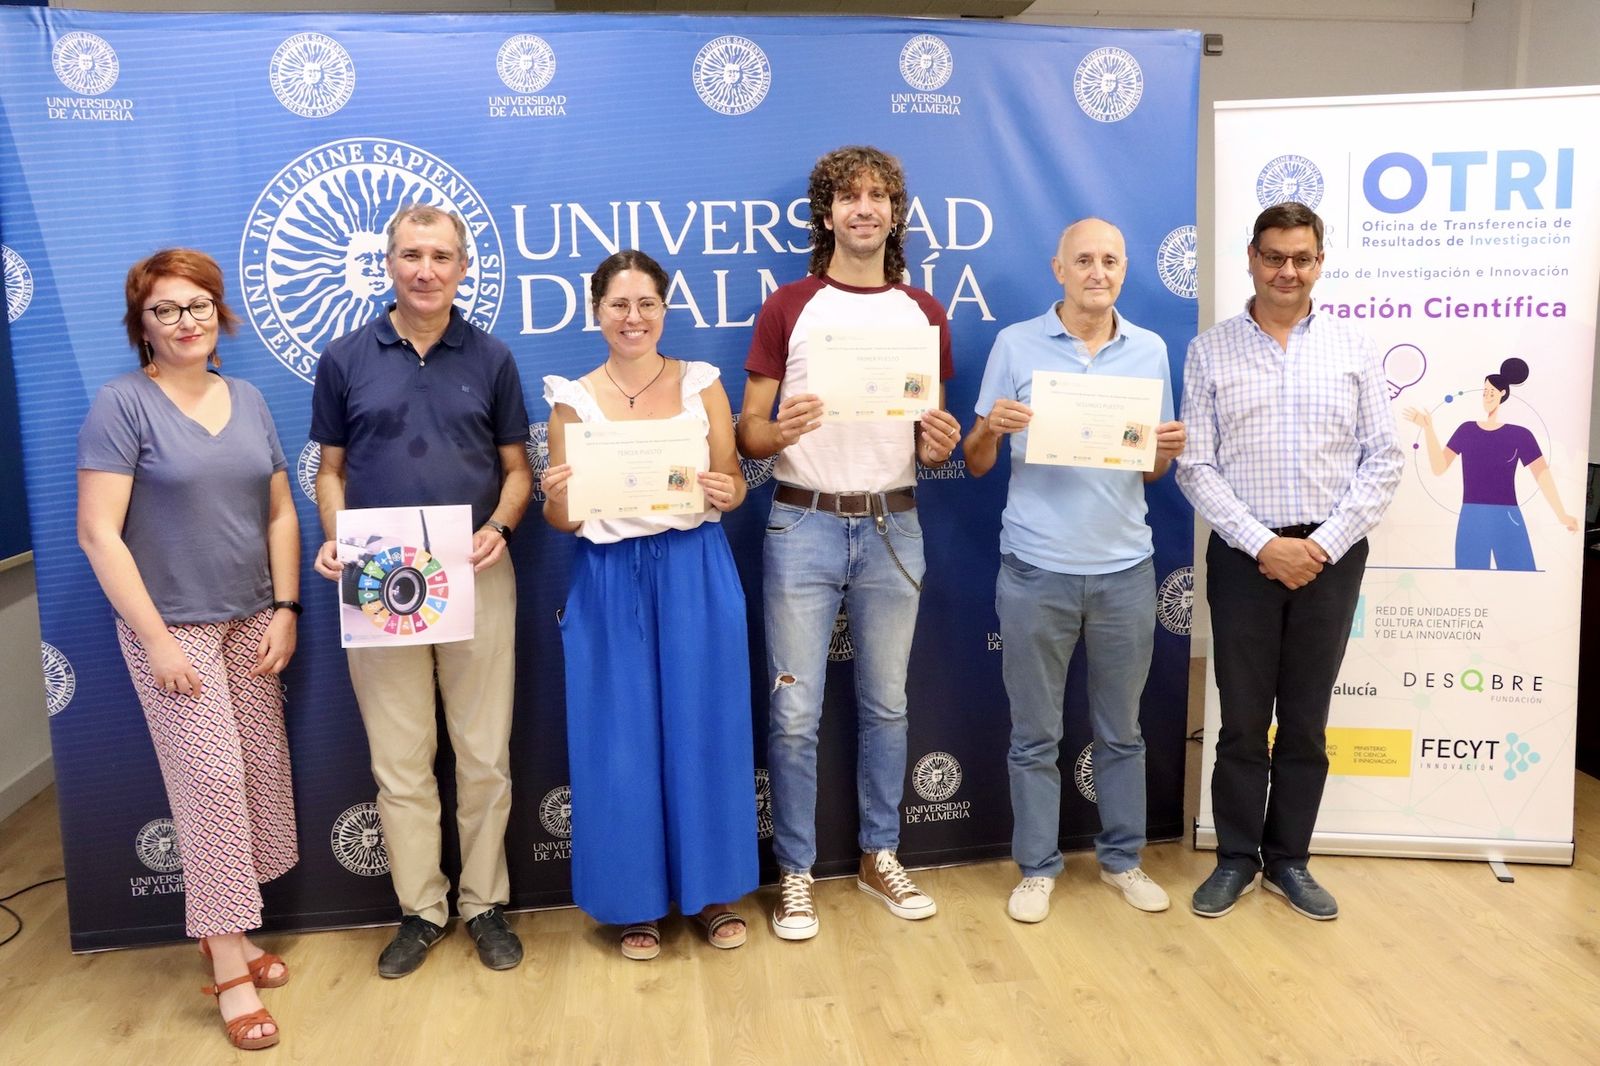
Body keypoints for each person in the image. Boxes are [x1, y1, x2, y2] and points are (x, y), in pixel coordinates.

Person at [736, 145, 963, 941]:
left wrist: (939, 443)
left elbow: (932, 440)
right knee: (795, 713)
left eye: (879, 196)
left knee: (887, 705)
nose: (864, 208)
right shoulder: (789, 305)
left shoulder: (925, 312)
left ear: (895, 214)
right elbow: (747, 432)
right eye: (849, 196)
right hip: (801, 522)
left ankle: (879, 854)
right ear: (826, 214)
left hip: (893, 523)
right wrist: (775, 430)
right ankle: (796, 872)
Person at [78, 249, 300, 1051]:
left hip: (251, 621)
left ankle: (236, 934)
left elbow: (280, 512)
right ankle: (229, 970)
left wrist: (286, 606)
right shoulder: (122, 404)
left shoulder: (245, 398)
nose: (185, 321)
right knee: (211, 785)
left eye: (198, 304)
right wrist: (157, 639)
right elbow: (98, 532)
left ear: (220, 313)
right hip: (174, 631)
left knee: (257, 778)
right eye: (165, 309)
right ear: (142, 324)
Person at [311, 205, 532, 976]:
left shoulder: (494, 357)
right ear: (390, 265)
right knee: (399, 759)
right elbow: (329, 470)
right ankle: (421, 910)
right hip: (376, 582)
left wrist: (500, 529)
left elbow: (517, 471)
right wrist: (334, 536)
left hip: (476, 575)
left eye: (441, 256)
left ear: (463, 267)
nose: (426, 269)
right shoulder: (345, 358)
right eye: (411, 255)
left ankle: (484, 905)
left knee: (482, 754)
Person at [1177, 202, 1402, 921]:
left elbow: (1385, 459)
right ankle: (1237, 858)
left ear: (1320, 261)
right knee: (1242, 721)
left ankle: (1290, 860)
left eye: (1301, 258)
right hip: (1247, 556)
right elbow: (1195, 466)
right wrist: (1263, 543)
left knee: (1305, 720)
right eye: (1274, 256)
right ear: (1251, 257)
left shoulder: (1353, 347)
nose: (1287, 271)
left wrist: (1322, 545)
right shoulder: (1210, 350)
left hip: (1331, 557)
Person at [962, 219, 1186, 924]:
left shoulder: (1149, 351)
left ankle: (1122, 859)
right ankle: (1037, 867)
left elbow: (1149, 471)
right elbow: (973, 462)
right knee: (1034, 734)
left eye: (1110, 260)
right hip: (1035, 569)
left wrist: (1166, 450)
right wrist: (992, 428)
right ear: (1058, 268)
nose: (1098, 271)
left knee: (1121, 730)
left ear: (1124, 271)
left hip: (1124, 568)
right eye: (1084, 260)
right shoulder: (1014, 346)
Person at [540, 250, 758, 960]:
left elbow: (730, 482)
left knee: (706, 727)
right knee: (619, 740)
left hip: (695, 566)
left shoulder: (703, 384)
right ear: (596, 310)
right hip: (606, 577)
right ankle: (632, 901)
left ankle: (713, 892)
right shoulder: (570, 399)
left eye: (647, 305)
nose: (633, 319)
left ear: (665, 310)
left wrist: (730, 491)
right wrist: (555, 498)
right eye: (619, 305)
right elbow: (565, 521)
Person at [1404, 356, 1578, 569]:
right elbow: (1439, 467)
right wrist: (1428, 429)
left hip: (1507, 516)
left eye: (1492, 392)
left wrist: (1562, 515)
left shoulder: (1520, 435)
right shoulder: (1466, 430)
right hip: (1472, 516)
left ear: (1503, 394)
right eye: (1484, 392)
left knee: (1521, 578)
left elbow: (1542, 476)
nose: (1486, 396)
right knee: (1470, 579)